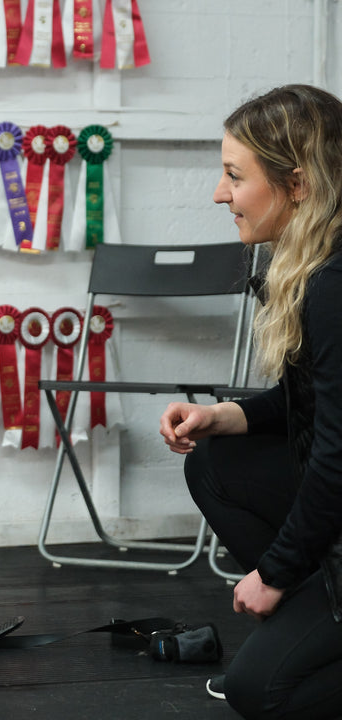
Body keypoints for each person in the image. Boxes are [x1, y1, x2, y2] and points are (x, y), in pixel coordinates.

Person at [158, 84, 342, 719]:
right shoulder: (316, 260)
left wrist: (278, 574)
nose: (218, 192)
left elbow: (338, 456)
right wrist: (224, 415)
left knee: (259, 692)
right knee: (215, 461)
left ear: (296, 185)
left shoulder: (335, 285)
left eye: (235, 175)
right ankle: (311, 631)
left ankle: (305, 634)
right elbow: (307, 402)